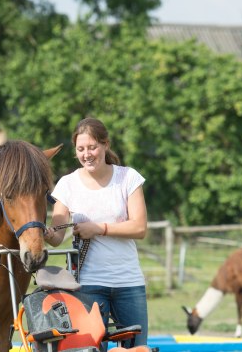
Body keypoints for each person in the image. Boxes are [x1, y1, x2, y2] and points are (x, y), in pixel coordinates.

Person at [44, 117, 149, 347]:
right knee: (89, 349)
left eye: (92, 147)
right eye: (81, 149)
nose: (87, 154)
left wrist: (98, 229)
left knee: (138, 349)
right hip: (88, 285)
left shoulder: (128, 178)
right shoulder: (67, 184)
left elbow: (139, 227)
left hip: (129, 283)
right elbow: (56, 237)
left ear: (105, 145)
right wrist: (44, 232)